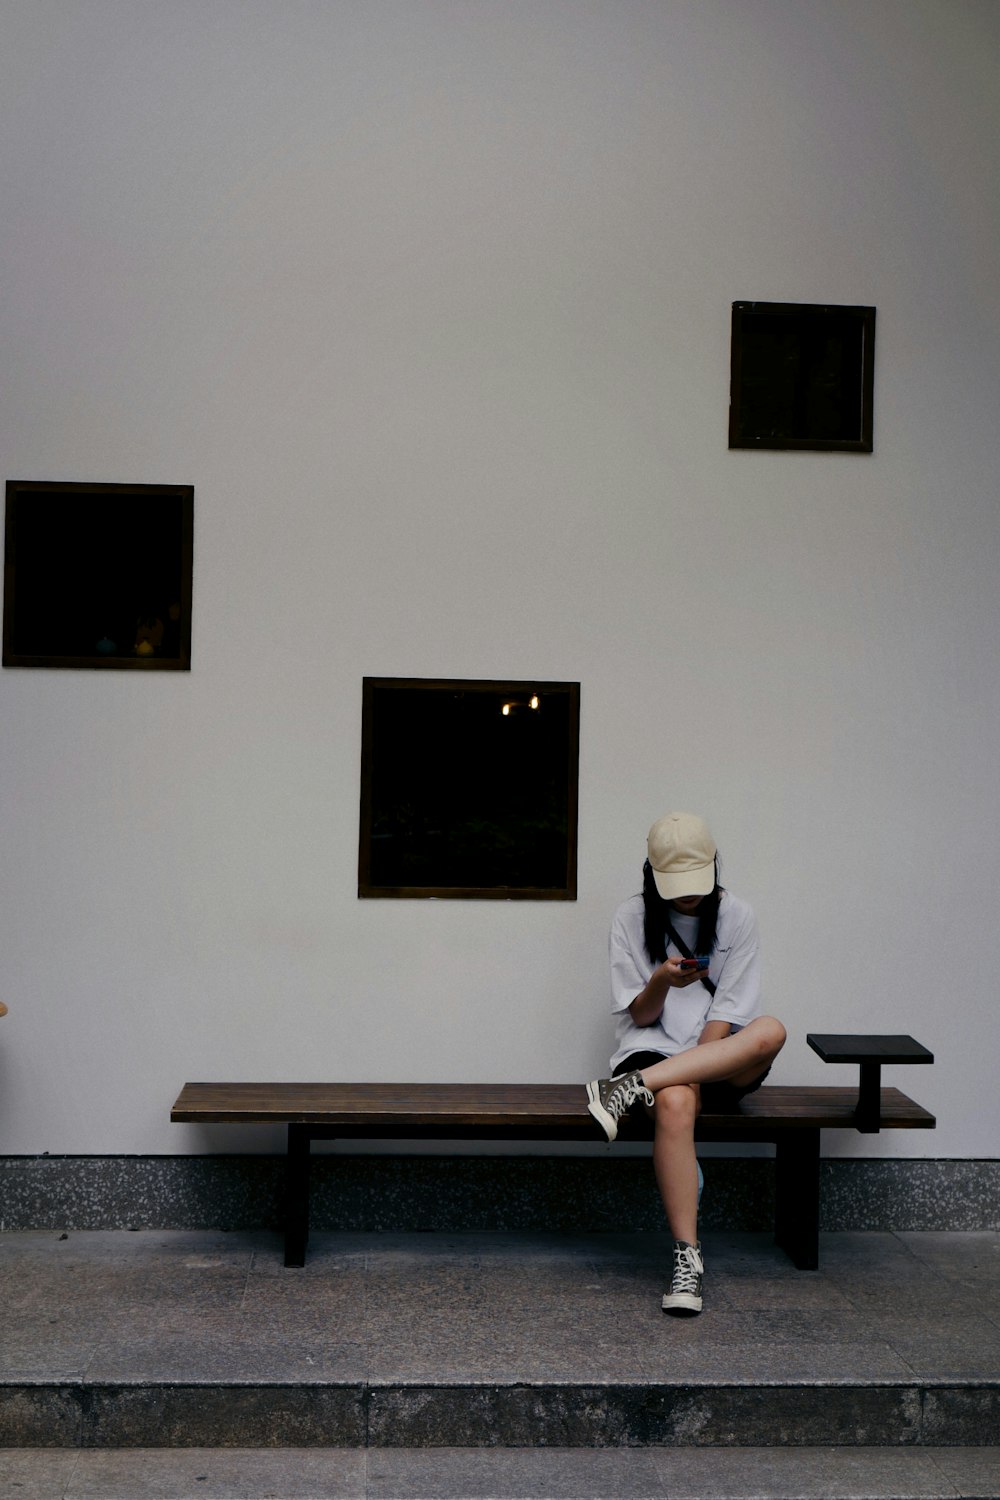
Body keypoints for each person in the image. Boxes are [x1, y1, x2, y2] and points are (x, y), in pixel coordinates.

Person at [586, 812, 786, 1316]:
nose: (688, 894)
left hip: (717, 1053)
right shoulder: (630, 918)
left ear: (713, 866)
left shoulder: (737, 916)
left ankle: (627, 1089)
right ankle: (687, 1260)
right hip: (650, 1046)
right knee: (676, 1102)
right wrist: (660, 981)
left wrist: (694, 1067)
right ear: (652, 874)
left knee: (771, 1030)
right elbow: (641, 1013)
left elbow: (727, 1014)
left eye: (696, 880)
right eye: (675, 883)